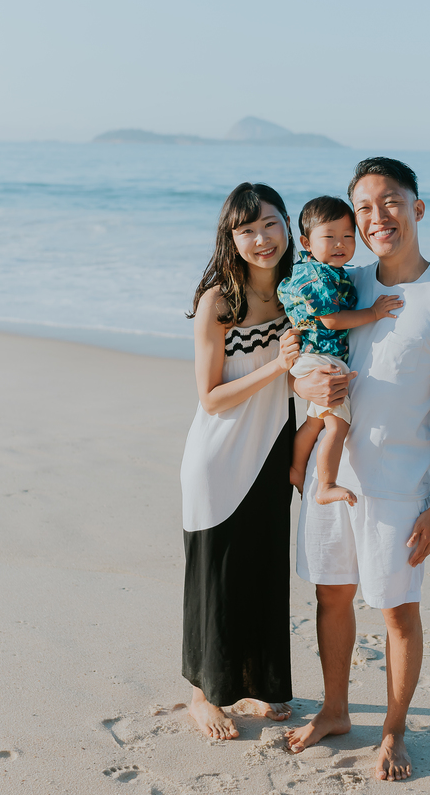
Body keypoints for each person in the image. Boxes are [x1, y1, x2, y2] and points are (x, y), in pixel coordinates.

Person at [285, 158, 430, 781]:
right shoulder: (346, 282)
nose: (377, 218)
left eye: (390, 201)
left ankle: (394, 730)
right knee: (331, 596)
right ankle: (335, 710)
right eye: (363, 208)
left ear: (416, 208)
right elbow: (303, 349)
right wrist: (297, 375)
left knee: (396, 611)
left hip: (399, 486)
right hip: (334, 474)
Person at [179, 182, 303, 740]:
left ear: (287, 226)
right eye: (247, 230)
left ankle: (253, 684)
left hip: (272, 448)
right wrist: (277, 365)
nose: (261, 239)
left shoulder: (298, 292)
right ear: (231, 238)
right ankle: (203, 695)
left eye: (270, 224)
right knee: (217, 575)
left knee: (263, 569)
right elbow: (210, 397)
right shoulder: (219, 302)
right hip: (219, 456)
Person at [277, 195, 403, 505]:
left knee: (315, 422)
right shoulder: (317, 275)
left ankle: (295, 469)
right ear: (306, 242)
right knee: (338, 424)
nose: (340, 244)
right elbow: (332, 320)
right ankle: (326, 485)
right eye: (329, 237)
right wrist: (373, 313)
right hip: (320, 359)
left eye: (348, 236)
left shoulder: (324, 271)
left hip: (312, 357)